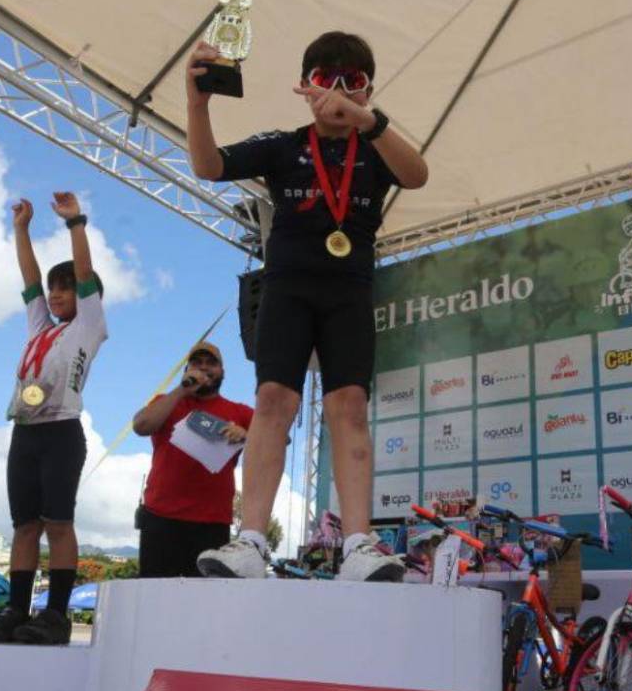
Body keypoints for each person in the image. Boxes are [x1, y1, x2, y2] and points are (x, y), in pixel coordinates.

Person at [184, 31, 428, 581]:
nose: (339, 93)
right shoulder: (283, 145)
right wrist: (198, 103)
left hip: (349, 294)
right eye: (325, 80)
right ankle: (249, 540)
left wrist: (373, 122)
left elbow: (417, 174)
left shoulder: (378, 145)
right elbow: (208, 165)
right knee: (273, 400)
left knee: (349, 408)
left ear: (369, 91)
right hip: (287, 290)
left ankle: (360, 543)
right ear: (304, 85)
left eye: (354, 82)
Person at [0, 191, 108, 646]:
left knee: (59, 524)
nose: (55, 295)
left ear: (87, 296)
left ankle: (55, 615)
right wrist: (21, 229)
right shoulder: (40, 327)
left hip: (62, 432)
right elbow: (29, 279)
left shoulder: (89, 326)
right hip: (25, 432)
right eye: (54, 289)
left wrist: (75, 224)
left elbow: (85, 274)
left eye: (65, 287)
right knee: (24, 526)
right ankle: (16, 609)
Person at [131, 341, 254, 577]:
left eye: (211, 363)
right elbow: (140, 425)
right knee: (157, 595)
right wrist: (181, 390)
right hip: (160, 517)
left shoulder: (240, 412)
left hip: (212, 523)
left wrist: (247, 435)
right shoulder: (167, 402)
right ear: (186, 370)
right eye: (197, 363)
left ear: (223, 372)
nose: (204, 368)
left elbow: (278, 439)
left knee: (205, 604)